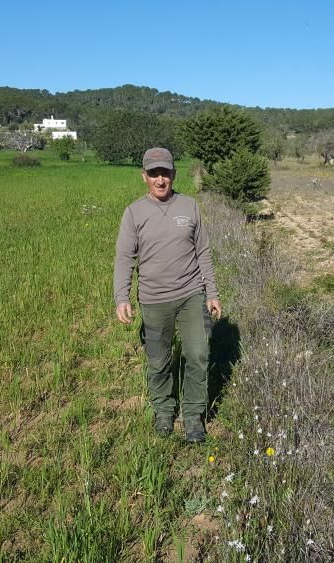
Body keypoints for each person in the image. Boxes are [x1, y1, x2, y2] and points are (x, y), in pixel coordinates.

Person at [113, 147, 222, 442]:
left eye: (166, 173)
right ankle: (163, 411)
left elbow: (203, 252)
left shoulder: (190, 206)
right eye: (154, 174)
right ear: (144, 177)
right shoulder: (134, 212)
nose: (161, 180)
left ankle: (193, 416)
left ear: (174, 174)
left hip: (191, 295)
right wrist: (121, 297)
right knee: (159, 360)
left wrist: (211, 292)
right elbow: (125, 257)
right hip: (153, 299)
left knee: (198, 354)